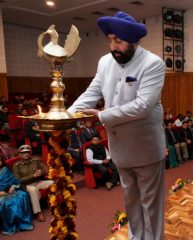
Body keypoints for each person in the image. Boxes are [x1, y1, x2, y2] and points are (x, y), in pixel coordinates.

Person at [68, 10, 166, 240]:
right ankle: (136, 237)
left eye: (118, 41)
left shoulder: (153, 63)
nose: (113, 47)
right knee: (131, 201)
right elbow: (91, 92)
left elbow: (143, 106)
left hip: (146, 148)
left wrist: (101, 116)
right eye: (110, 40)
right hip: (120, 148)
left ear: (133, 41)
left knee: (150, 204)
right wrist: (67, 115)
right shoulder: (104, 62)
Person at [12, 145, 53, 222]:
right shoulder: (16, 165)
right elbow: (18, 181)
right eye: (23, 153)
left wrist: (41, 173)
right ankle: (38, 212)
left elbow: (44, 172)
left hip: (38, 182)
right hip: (27, 185)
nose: (26, 154)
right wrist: (33, 176)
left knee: (52, 183)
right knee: (33, 190)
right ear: (20, 154)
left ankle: (54, 204)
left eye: (27, 152)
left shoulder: (35, 160)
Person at [0, 158, 33, 235]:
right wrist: (2, 193)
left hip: (10, 191)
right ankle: (10, 227)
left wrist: (13, 187)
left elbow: (15, 180)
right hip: (1, 194)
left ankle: (24, 224)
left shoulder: (5, 170)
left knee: (22, 195)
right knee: (7, 203)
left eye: (0, 160)